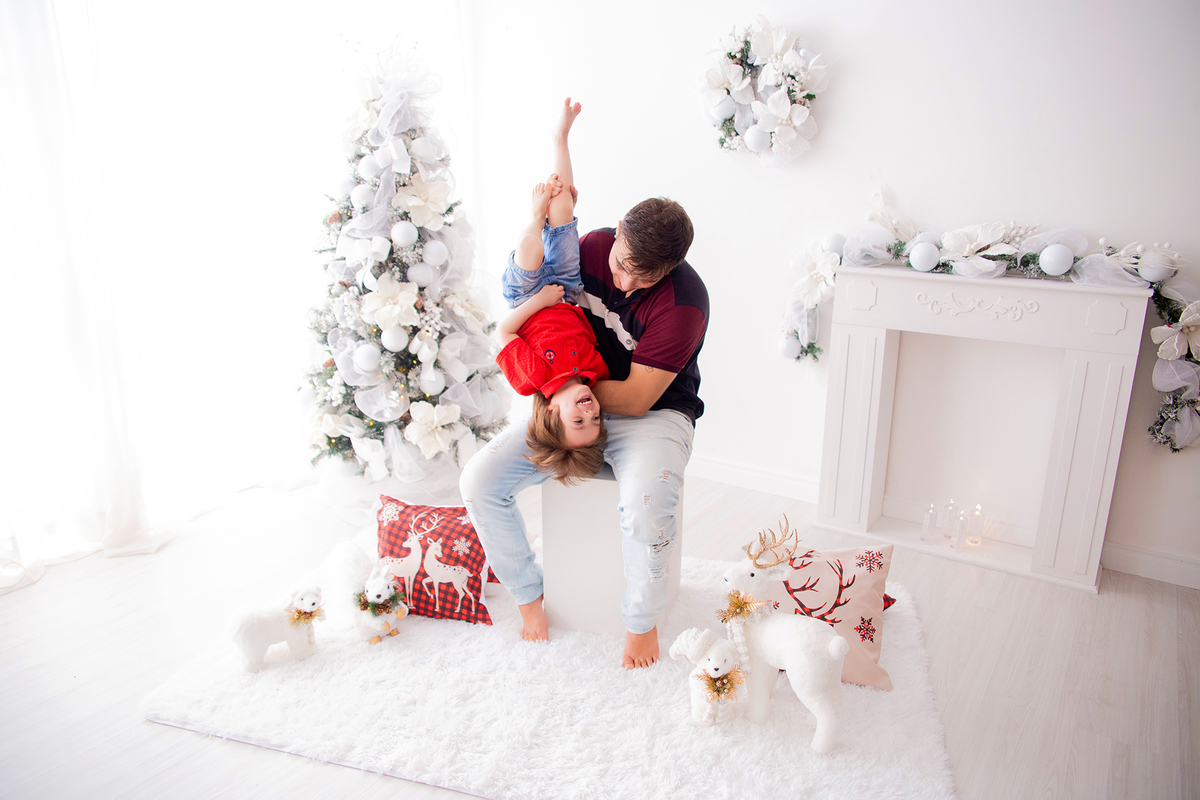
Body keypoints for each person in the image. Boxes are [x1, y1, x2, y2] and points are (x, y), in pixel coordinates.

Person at [461, 98, 709, 669]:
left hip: (650, 412)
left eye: (638, 278)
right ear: (618, 231)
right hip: (571, 393)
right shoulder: (593, 247)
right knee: (480, 480)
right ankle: (530, 596)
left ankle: (641, 624)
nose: (620, 280)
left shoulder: (684, 304)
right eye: (620, 262)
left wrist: (561, 391)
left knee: (646, 505)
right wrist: (558, 393)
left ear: (667, 271)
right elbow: (557, 211)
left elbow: (638, 396)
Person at [494, 98, 608, 481]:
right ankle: (560, 137)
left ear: (553, 415)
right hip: (566, 290)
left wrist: (540, 301)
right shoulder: (596, 371)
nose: (590, 410)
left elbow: (503, 331)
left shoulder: (530, 381)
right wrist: (559, 297)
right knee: (564, 206)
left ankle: (533, 217)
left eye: (580, 419)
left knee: (530, 248)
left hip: (527, 299)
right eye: (595, 417)